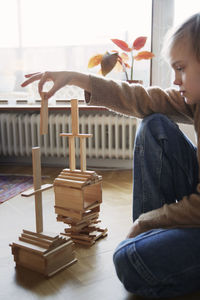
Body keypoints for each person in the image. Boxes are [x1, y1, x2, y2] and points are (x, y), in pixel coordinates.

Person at [22, 13, 200, 299]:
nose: (175, 80)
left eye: (181, 69)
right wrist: (74, 77)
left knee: (130, 260)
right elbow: (142, 98)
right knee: (154, 125)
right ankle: (148, 241)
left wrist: (147, 221)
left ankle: (147, 243)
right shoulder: (193, 99)